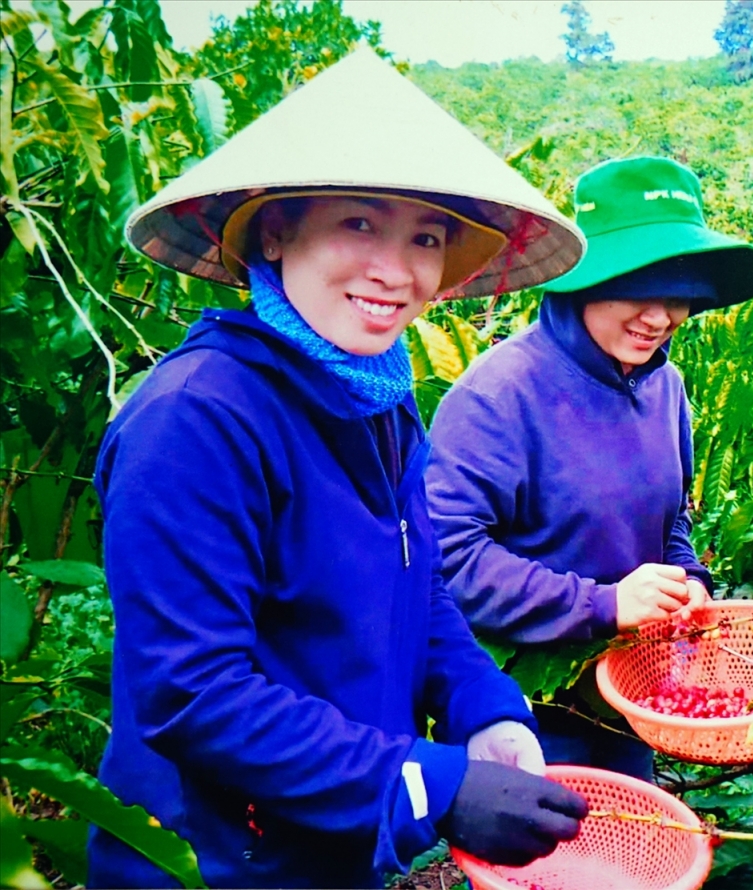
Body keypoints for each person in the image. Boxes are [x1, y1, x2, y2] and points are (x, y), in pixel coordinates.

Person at [88, 49, 590, 889]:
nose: (396, 271)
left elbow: (418, 584)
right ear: (276, 234)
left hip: (330, 843)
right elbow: (193, 693)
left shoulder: (379, 400)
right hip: (216, 860)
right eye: (359, 224)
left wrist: (482, 708)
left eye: (425, 237)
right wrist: (430, 784)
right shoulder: (198, 419)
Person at [425, 156, 753, 778]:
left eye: (680, 298)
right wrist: (603, 604)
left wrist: (686, 580)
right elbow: (448, 558)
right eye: (638, 290)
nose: (659, 318)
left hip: (630, 689)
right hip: (525, 704)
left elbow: (670, 521)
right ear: (583, 281)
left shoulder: (666, 386)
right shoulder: (500, 394)